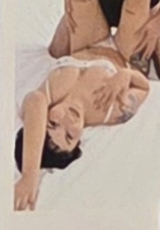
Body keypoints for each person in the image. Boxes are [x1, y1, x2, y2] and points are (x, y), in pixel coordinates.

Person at [11, 45, 151, 211]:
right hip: (122, 51)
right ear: (78, 141)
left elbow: (35, 100)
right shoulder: (107, 111)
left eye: (53, 123)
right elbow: (144, 88)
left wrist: (29, 176)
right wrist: (126, 75)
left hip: (78, 42)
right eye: (69, 136)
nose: (67, 122)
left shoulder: (53, 93)